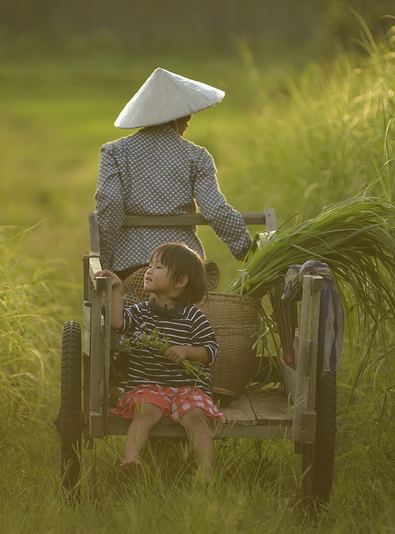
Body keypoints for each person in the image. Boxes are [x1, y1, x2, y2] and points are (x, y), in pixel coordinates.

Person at [96, 67, 253, 281]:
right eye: (184, 117)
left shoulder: (115, 152)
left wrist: (105, 256)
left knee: (130, 312)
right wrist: (246, 250)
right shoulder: (196, 156)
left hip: (128, 264)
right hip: (183, 265)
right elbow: (215, 209)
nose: (188, 119)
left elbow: (111, 202)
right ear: (176, 118)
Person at [95, 242, 225, 483]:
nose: (148, 270)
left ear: (180, 281)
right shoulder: (141, 311)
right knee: (146, 412)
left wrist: (187, 351)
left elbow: (210, 352)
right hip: (149, 385)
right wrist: (115, 290)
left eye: (158, 266)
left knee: (196, 417)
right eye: (150, 264)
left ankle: (205, 471)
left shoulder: (194, 317)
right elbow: (117, 324)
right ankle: (131, 458)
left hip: (188, 388)